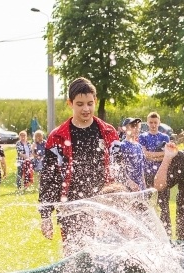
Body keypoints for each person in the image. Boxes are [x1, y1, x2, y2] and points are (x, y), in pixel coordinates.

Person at [38, 77, 120, 254]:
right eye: (80, 104)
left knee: (107, 259)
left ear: (95, 101)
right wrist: (45, 215)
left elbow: (119, 171)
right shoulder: (57, 137)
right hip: (71, 208)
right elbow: (48, 179)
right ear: (70, 103)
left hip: (104, 208)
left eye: (90, 103)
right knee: (75, 260)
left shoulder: (108, 133)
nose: (86, 109)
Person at [139, 112, 172, 233]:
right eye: (151, 122)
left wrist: (152, 156)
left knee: (164, 205)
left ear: (159, 122)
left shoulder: (165, 137)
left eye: (155, 123)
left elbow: (167, 155)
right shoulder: (143, 137)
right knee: (146, 203)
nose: (153, 125)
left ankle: (167, 231)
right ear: (147, 123)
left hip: (161, 173)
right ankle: (146, 230)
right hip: (147, 174)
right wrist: (158, 156)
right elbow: (145, 155)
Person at [111, 118, 147, 191]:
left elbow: (141, 169)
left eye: (138, 126)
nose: (136, 129)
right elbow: (118, 168)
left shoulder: (139, 146)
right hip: (126, 188)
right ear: (125, 129)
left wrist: (144, 186)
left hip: (139, 187)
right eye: (133, 126)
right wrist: (129, 182)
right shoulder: (120, 145)